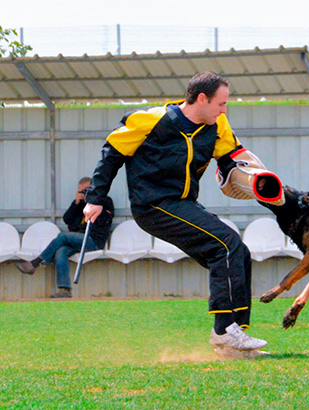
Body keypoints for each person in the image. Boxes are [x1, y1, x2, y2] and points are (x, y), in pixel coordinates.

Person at [83, 72, 268, 357]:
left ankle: (233, 339)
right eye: (221, 103)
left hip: (184, 204)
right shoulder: (148, 120)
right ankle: (223, 330)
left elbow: (231, 157)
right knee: (225, 244)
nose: (224, 109)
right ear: (202, 99)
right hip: (152, 205)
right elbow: (112, 154)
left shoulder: (217, 125)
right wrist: (94, 199)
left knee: (237, 252)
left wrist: (254, 176)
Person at [16, 177, 114, 298]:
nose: (85, 194)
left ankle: (35, 263)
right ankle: (65, 289)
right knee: (61, 251)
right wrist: (76, 203)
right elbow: (67, 219)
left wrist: (93, 201)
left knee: (62, 236)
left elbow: (104, 220)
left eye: (87, 190)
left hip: (93, 241)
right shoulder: (80, 205)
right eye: (82, 191)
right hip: (77, 241)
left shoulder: (105, 202)